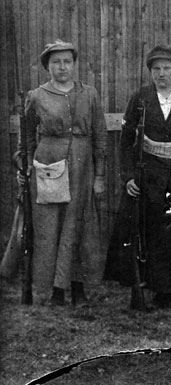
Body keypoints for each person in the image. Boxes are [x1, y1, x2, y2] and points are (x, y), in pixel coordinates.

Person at [106, 45, 171, 307]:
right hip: (149, 176)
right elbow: (126, 142)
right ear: (150, 72)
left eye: (167, 68)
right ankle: (148, 284)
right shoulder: (140, 98)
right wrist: (128, 177)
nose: (162, 74)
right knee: (152, 231)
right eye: (156, 69)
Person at [17, 40, 107, 306]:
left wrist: (100, 175)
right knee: (50, 228)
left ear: (74, 64)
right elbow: (26, 142)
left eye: (67, 61)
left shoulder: (89, 93)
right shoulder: (36, 96)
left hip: (82, 168)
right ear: (47, 66)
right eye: (56, 62)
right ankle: (54, 290)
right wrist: (25, 168)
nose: (62, 67)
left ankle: (78, 287)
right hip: (49, 167)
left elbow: (100, 137)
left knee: (79, 227)